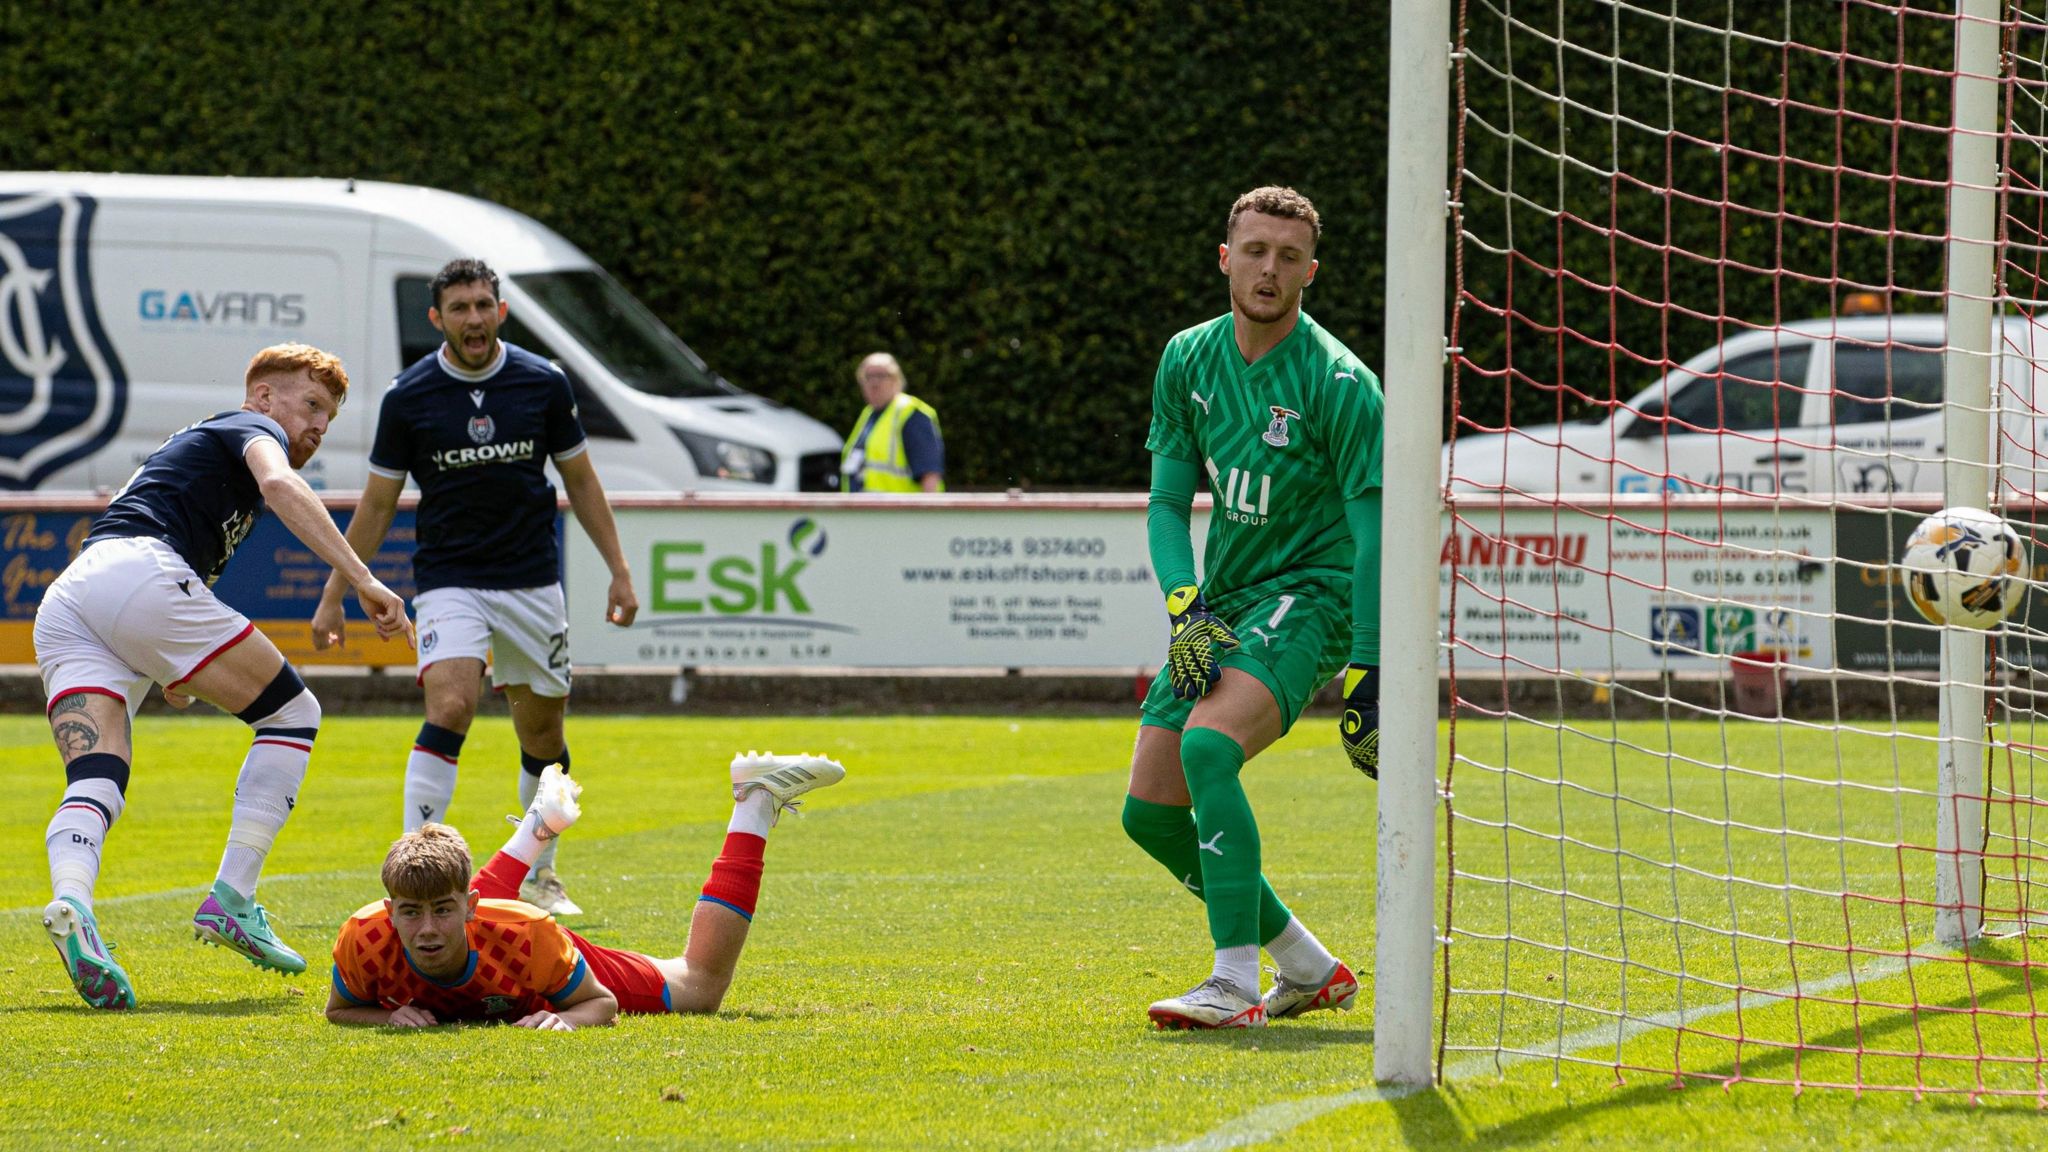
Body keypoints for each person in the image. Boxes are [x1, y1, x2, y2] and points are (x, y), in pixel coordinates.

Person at [35, 343, 414, 1010]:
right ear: (264, 397)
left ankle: (72, 904)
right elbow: (279, 484)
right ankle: (233, 897)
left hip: (73, 600)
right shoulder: (252, 428)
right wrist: (363, 579)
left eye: (329, 414)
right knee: (293, 715)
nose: (320, 425)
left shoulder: (202, 452)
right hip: (137, 572)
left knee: (96, 778)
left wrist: (171, 668)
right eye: (312, 404)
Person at [1123, 186, 1385, 1029]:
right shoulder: (1187, 359)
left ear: (1312, 269)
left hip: (1316, 595)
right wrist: (1183, 607)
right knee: (1150, 815)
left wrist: (1369, 667)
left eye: (1289, 255)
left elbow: (1375, 529)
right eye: (1256, 250)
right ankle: (1308, 967)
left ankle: (1232, 983)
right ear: (1225, 257)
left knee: (1207, 749)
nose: (1270, 268)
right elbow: (1167, 506)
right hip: (1223, 601)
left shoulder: (1341, 382)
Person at [311, 258, 639, 917]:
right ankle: (413, 868)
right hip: (448, 579)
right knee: (452, 705)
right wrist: (334, 593)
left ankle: (538, 874)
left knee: (542, 733)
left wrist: (619, 569)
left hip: (530, 581)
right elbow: (376, 506)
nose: (474, 319)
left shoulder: (542, 383)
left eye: (483, 305)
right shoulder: (410, 397)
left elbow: (580, 481)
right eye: (459, 308)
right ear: (437, 319)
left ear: (501, 312)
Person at [325, 754, 845, 1027]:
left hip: (536, 956)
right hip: (495, 929)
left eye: (443, 910)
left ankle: (754, 799)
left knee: (700, 985)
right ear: (389, 912)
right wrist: (387, 1014)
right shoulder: (363, 939)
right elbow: (338, 1011)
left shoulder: (534, 937)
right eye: (410, 914)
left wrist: (568, 1018)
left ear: (470, 907)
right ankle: (536, 828)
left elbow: (600, 1004)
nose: (428, 929)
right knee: (459, 910)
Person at [841, 352, 944, 492]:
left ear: (896, 380)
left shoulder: (911, 414)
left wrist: (931, 512)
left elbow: (930, 476)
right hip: (869, 511)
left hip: (902, 512)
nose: (874, 383)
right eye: (868, 377)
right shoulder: (869, 414)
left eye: (881, 376)